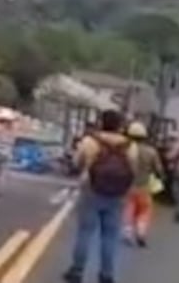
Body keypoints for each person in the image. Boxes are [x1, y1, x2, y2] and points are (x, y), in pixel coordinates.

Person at [63, 109, 136, 283]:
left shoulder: (89, 141)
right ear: (120, 125)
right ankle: (106, 274)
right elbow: (133, 169)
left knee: (85, 232)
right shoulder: (130, 145)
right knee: (110, 235)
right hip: (117, 194)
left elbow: (76, 162)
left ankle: (77, 271)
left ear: (101, 122)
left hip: (91, 189)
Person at [122, 121, 164, 247]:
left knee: (128, 209)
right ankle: (140, 233)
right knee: (144, 211)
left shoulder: (125, 149)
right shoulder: (151, 152)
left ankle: (127, 233)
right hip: (144, 186)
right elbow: (159, 170)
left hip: (127, 186)